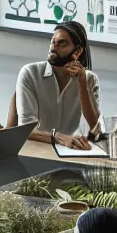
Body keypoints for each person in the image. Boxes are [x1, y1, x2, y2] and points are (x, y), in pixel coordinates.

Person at [14, 20, 99, 149]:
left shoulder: (89, 79)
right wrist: (57, 137)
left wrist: (82, 83)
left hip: (71, 152)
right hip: (35, 152)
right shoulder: (30, 73)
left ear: (78, 51)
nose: (54, 47)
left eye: (61, 43)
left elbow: (96, 129)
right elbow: (25, 129)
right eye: (53, 42)